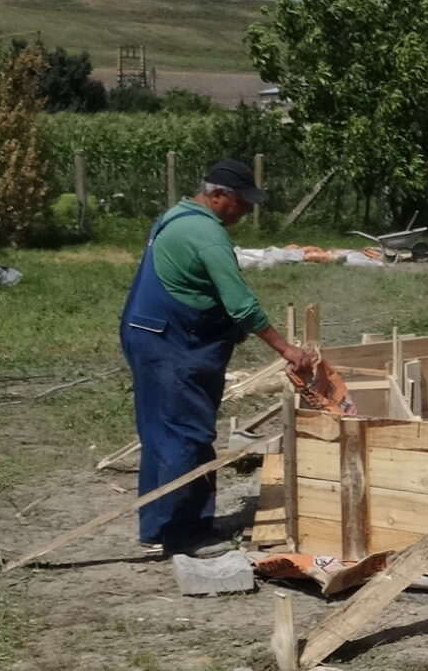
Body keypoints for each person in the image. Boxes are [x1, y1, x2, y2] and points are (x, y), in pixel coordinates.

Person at [120, 159, 319, 557]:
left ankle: (156, 527)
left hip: (146, 332)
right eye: (241, 202)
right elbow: (241, 303)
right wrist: (285, 348)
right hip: (174, 344)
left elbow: (195, 286)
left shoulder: (175, 216)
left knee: (159, 432)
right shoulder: (207, 234)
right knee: (187, 435)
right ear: (217, 195)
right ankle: (184, 534)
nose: (244, 211)